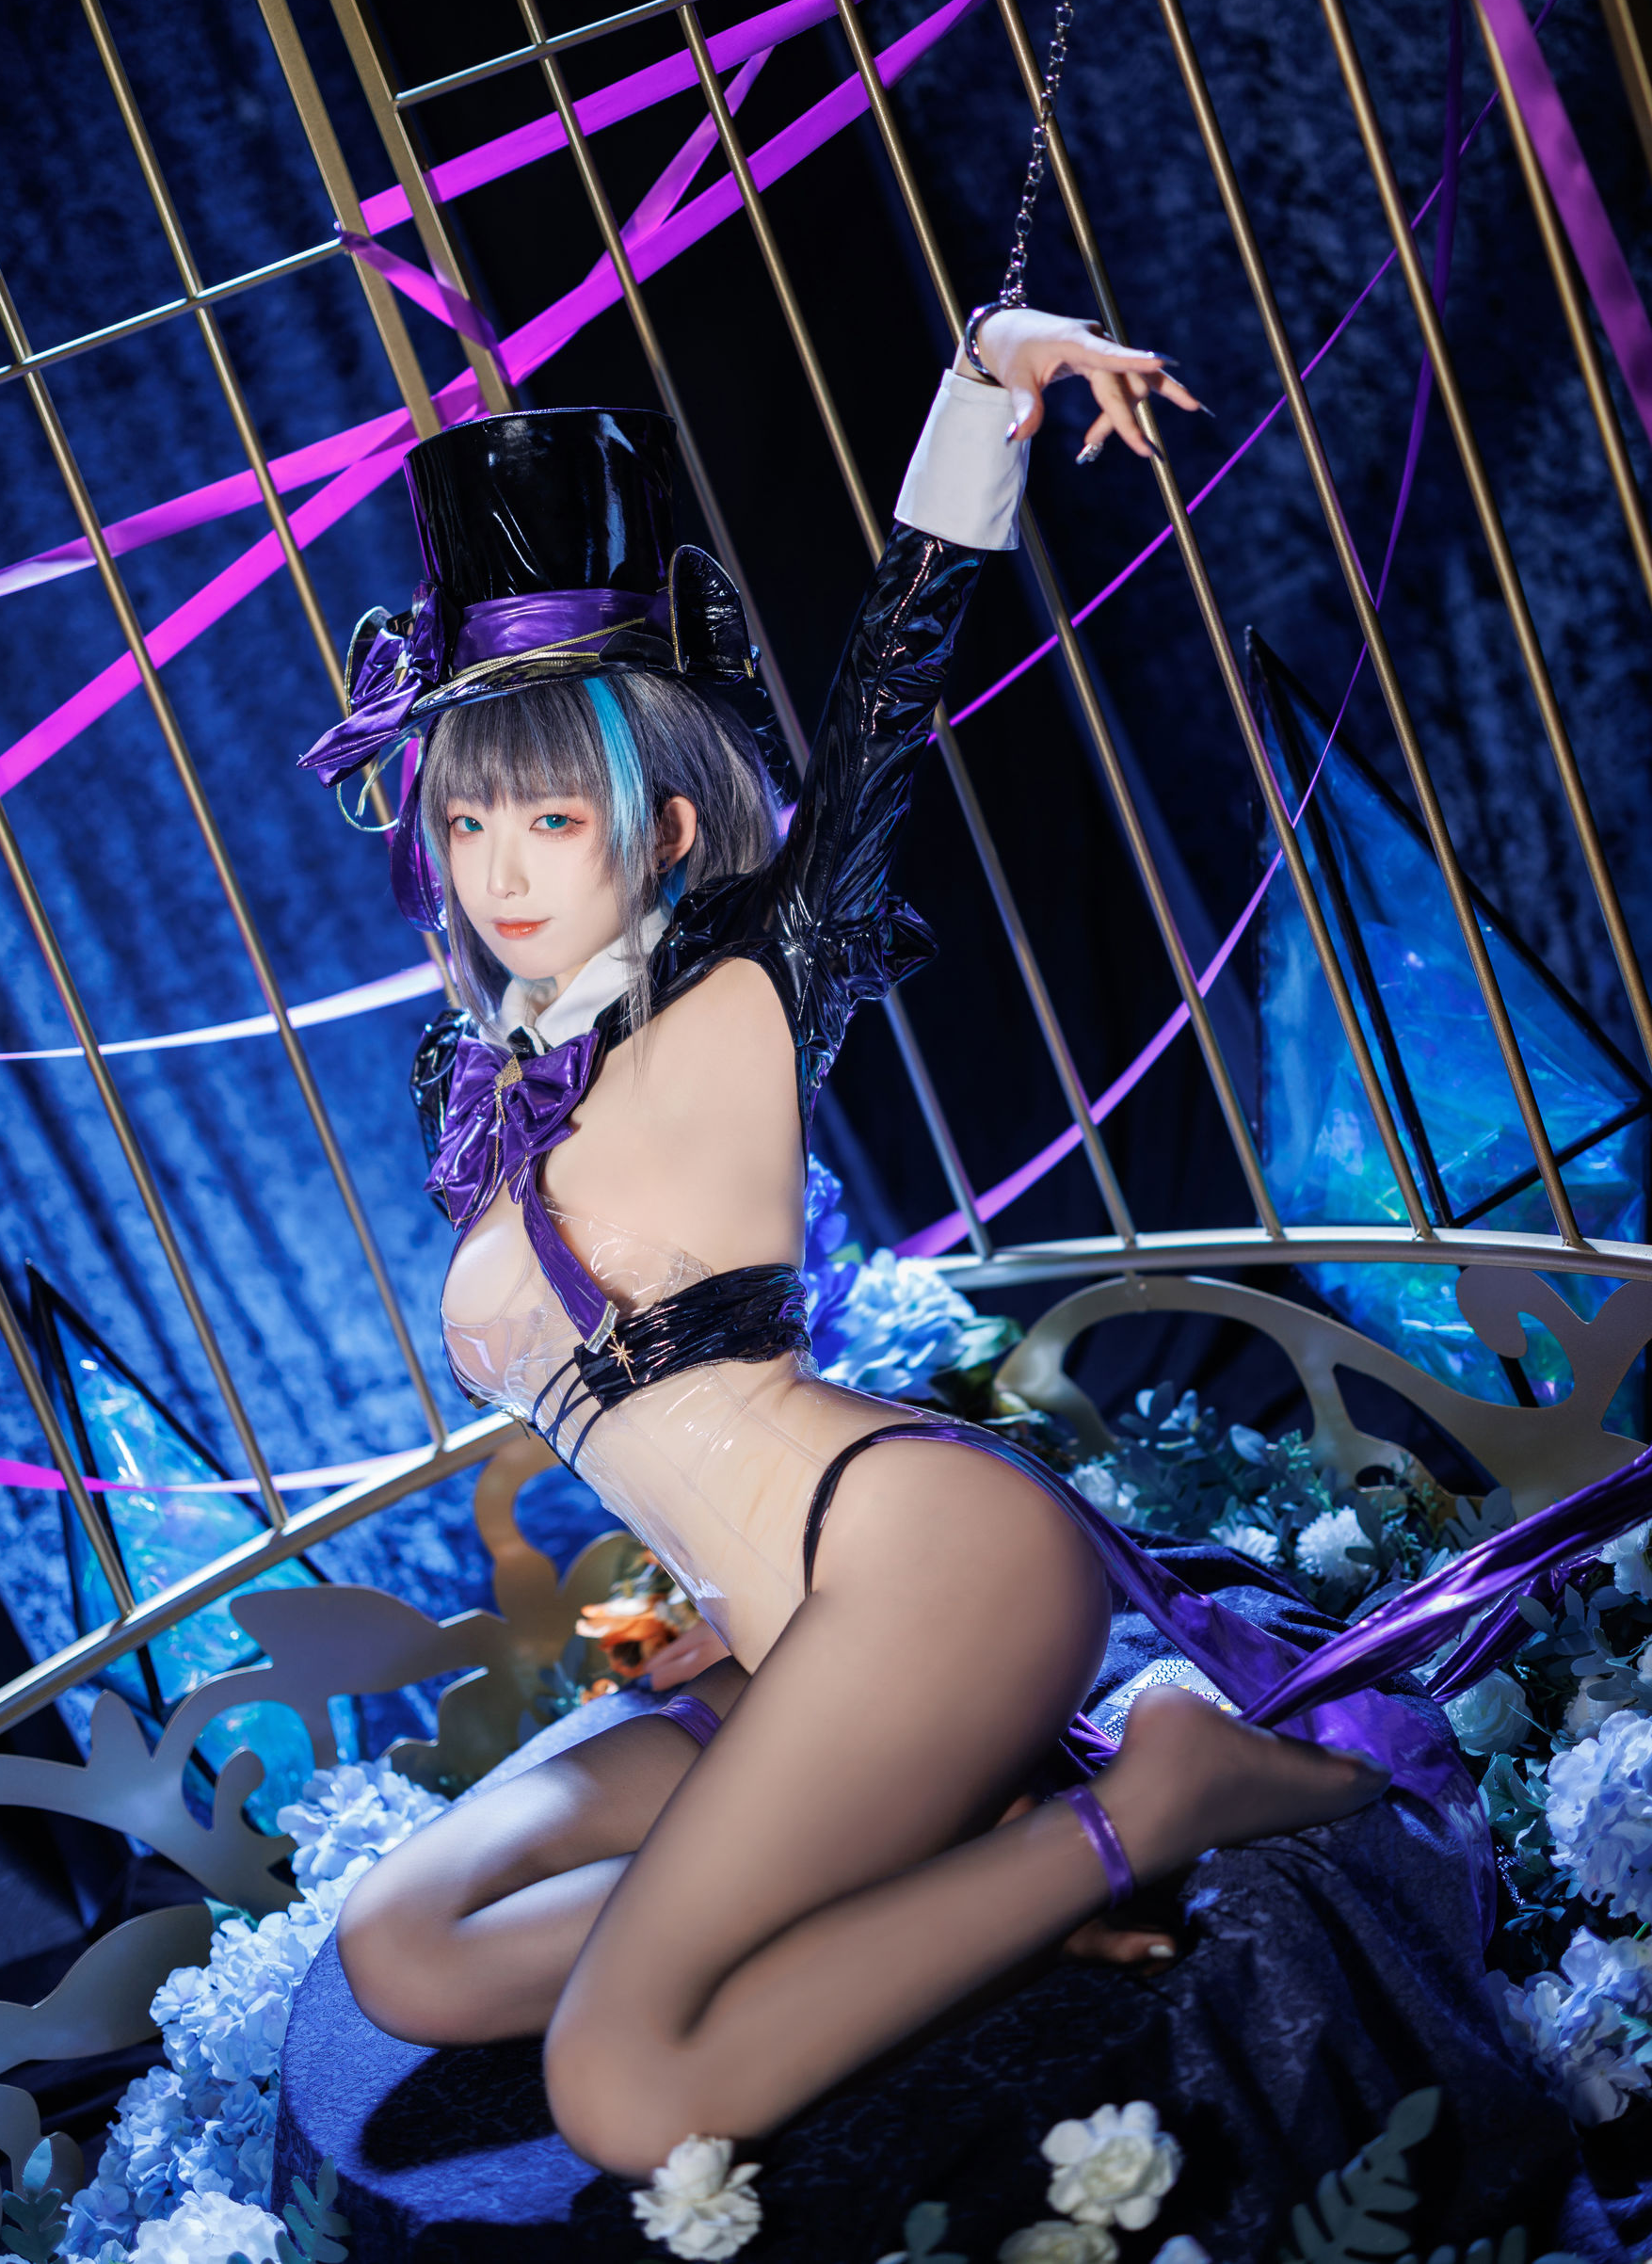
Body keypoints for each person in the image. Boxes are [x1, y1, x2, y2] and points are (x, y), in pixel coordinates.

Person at [298, 307, 1648, 2188]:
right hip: (777, 1636)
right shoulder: (490, 1074)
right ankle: (939, 1889)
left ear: (664, 825)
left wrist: (982, 396)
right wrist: (677, 1622)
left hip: (926, 1569)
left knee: (619, 2089)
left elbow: (879, 716)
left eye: (551, 814)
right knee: (404, 1948)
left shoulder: (744, 996)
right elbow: (637, 1419)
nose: (501, 867)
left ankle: (1147, 1803)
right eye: (466, 818)